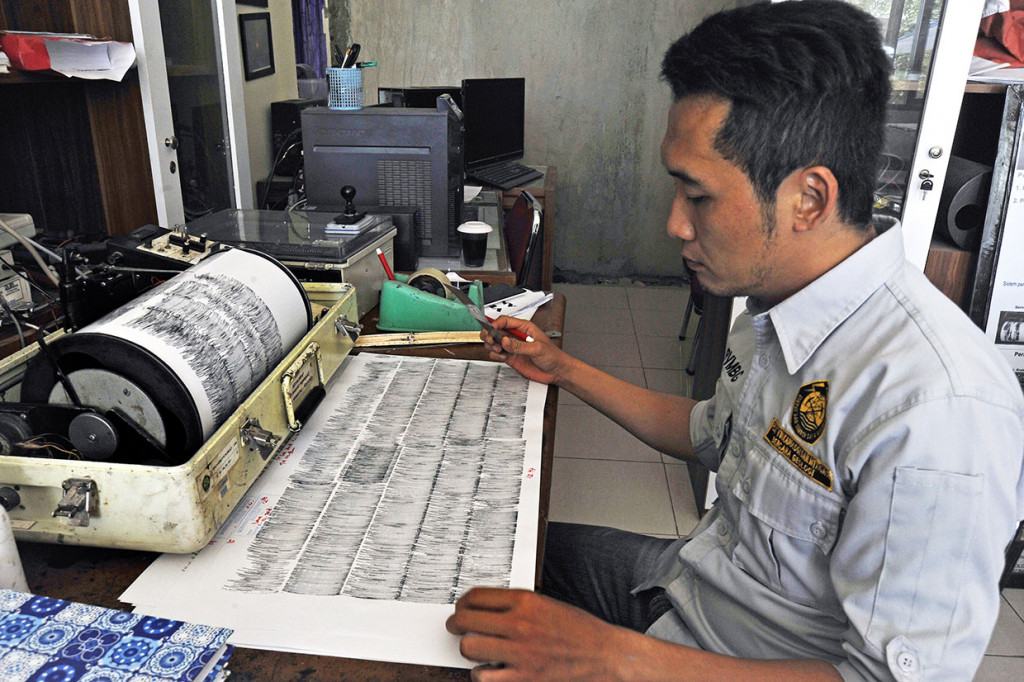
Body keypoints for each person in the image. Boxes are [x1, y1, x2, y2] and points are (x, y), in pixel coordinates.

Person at [444, 1, 1024, 680]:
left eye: (698, 195)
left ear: (809, 197)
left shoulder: (936, 407)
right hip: (686, 589)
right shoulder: (779, 307)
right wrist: (563, 368)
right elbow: (710, 432)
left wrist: (611, 658)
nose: (675, 225)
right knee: (473, 556)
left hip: (718, 659)